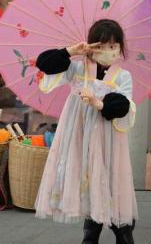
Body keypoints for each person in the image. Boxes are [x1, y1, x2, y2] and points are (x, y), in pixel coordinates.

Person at [34, 19, 137, 244]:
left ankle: (123, 230)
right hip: (79, 135)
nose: (108, 51)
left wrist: (98, 103)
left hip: (107, 138)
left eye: (113, 46)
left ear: (120, 47)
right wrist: (72, 51)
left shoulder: (122, 76)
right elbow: (44, 63)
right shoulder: (78, 68)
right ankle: (91, 231)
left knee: (109, 179)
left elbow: (122, 106)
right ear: (92, 46)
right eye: (102, 46)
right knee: (86, 179)